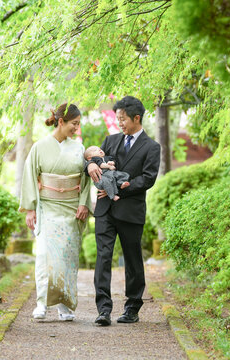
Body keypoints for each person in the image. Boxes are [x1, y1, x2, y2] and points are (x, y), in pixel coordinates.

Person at [86, 96, 160, 326]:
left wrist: (117, 189)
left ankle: (132, 307)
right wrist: (89, 164)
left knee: (133, 259)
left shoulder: (152, 147)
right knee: (103, 257)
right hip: (105, 210)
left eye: (123, 119)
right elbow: (95, 158)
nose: (119, 123)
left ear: (137, 118)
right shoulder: (111, 140)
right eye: (117, 118)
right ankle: (103, 310)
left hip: (131, 211)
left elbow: (148, 178)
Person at [20, 103, 91, 321]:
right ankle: (42, 303)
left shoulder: (78, 148)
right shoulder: (39, 147)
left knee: (67, 259)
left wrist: (83, 203)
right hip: (47, 208)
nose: (76, 129)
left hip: (70, 209)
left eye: (78, 124)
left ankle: (65, 305)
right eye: (74, 124)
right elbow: (30, 177)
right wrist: (30, 209)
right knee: (44, 256)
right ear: (61, 122)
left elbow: (86, 179)